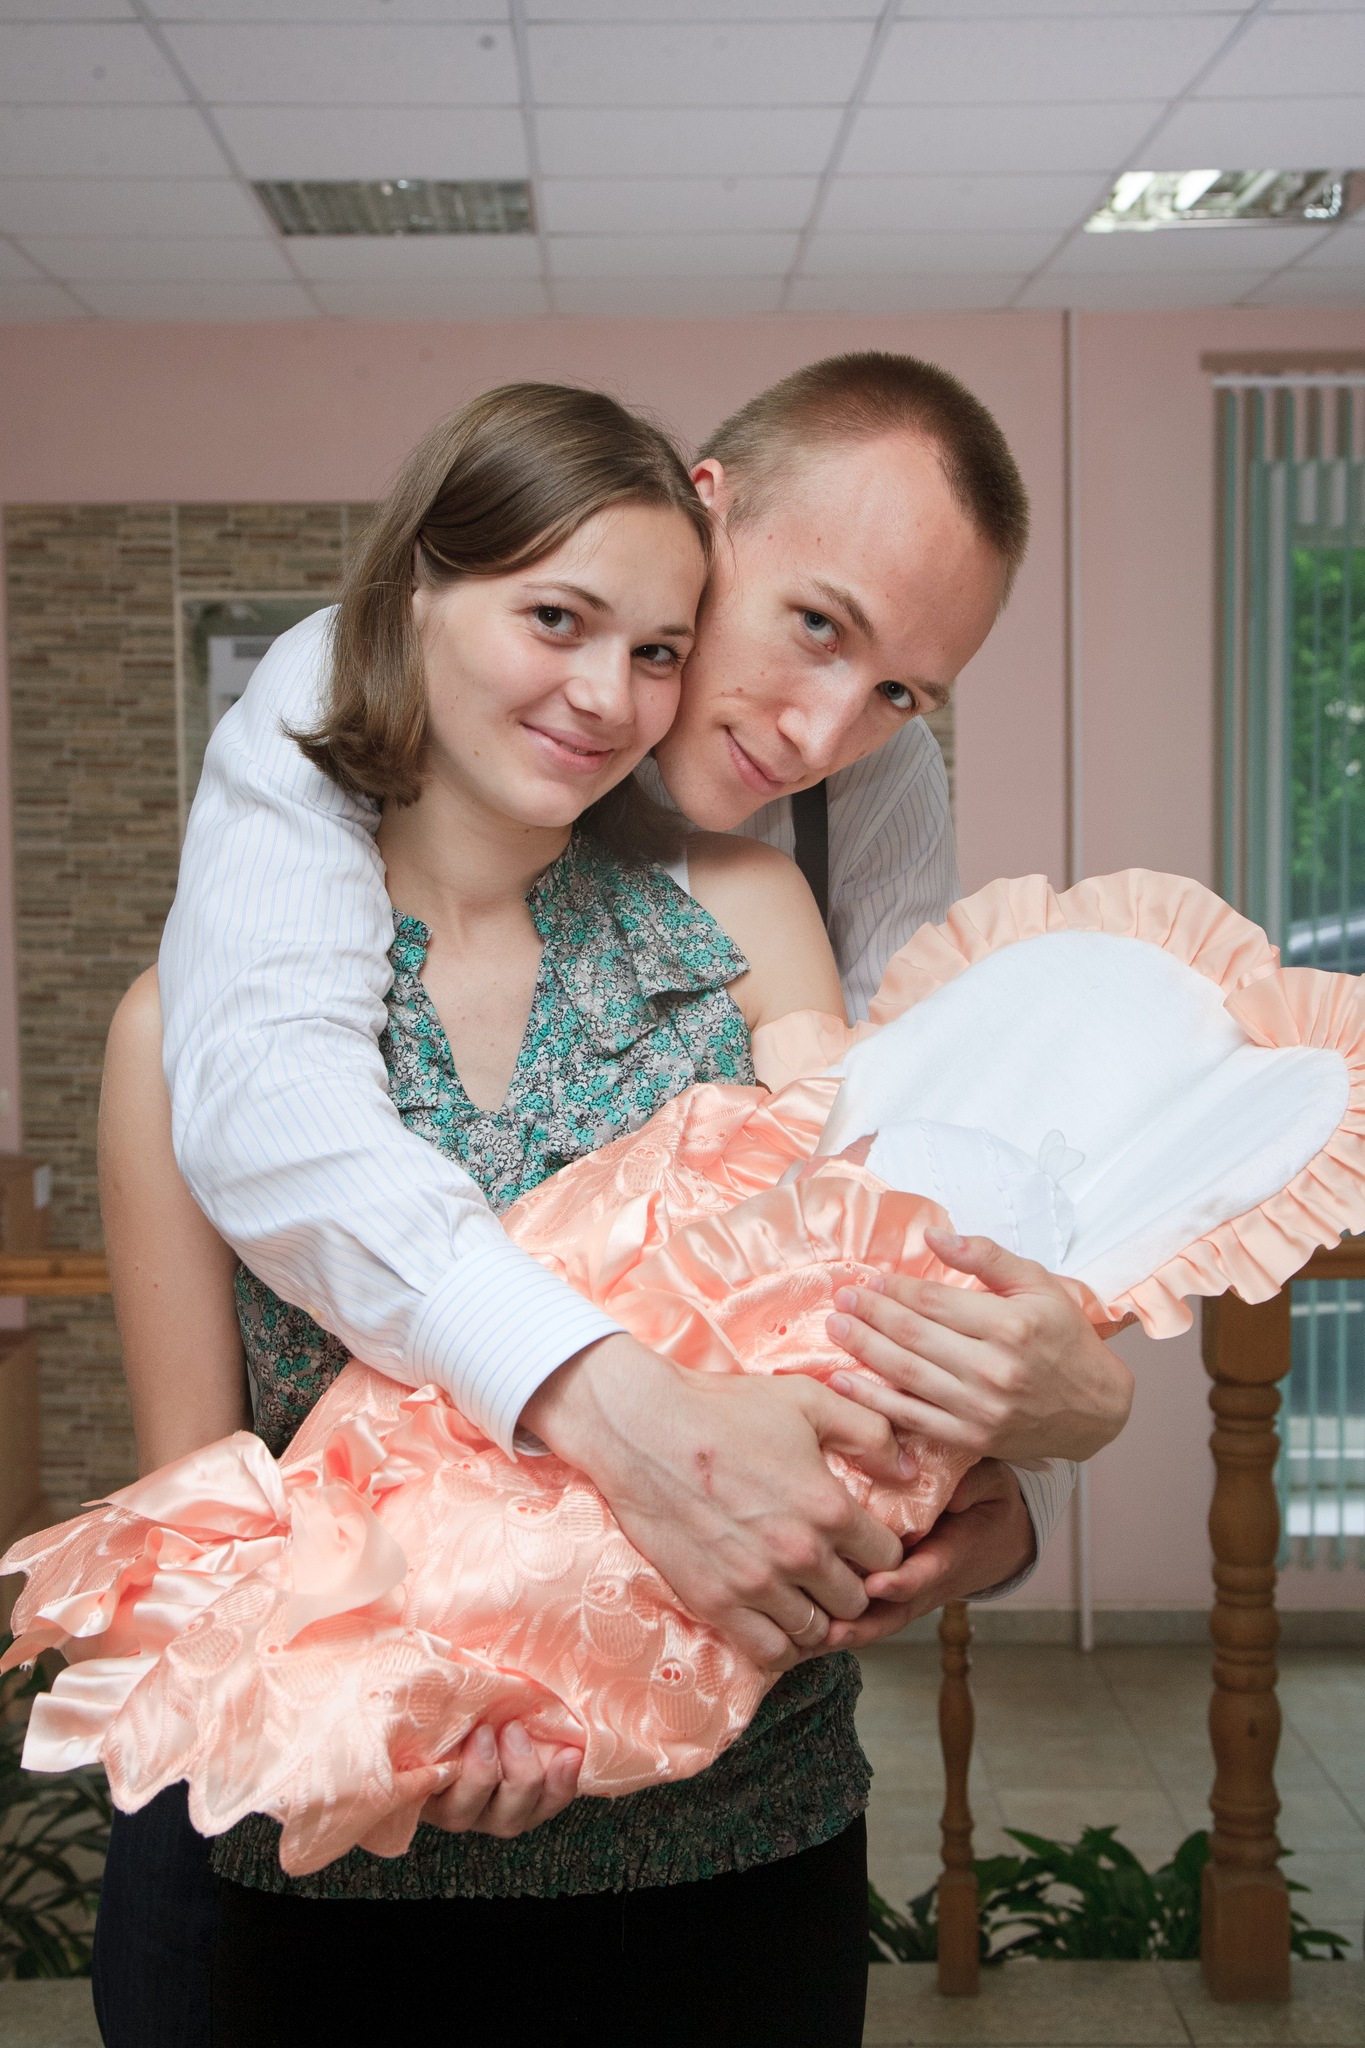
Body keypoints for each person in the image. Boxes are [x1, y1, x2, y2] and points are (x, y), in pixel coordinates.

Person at [83, 381, 910, 2047]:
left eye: (658, 651)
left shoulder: (745, 921)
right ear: (412, 599)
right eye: (555, 619)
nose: (606, 696)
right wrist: (403, 1708)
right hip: (335, 1876)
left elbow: (840, 1343)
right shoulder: (190, 1029)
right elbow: (201, 1510)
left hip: (730, 1851)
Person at [158, 353, 1134, 1682]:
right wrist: (607, 1407)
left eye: (899, 690)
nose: (822, 735)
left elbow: (909, 1178)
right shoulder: (341, 675)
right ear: (706, 511)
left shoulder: (873, 785)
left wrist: (1035, 1468)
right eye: (817, 625)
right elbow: (271, 1105)